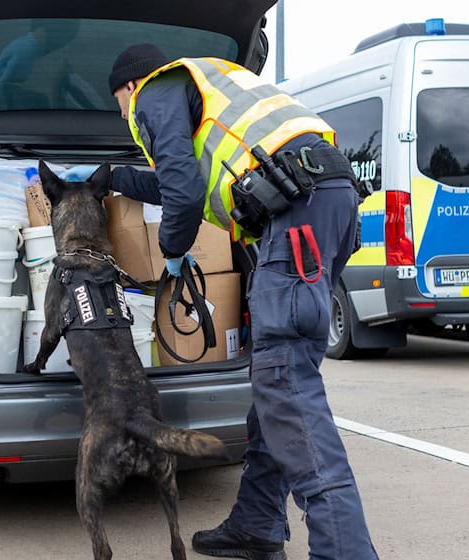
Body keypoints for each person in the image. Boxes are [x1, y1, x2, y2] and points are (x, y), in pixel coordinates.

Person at [107, 44, 378, 559]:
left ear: (127, 86)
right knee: (278, 384)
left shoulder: (154, 91)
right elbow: (176, 180)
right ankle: (257, 522)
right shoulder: (211, 82)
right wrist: (114, 178)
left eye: (118, 105)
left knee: (287, 387)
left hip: (296, 213)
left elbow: (183, 193)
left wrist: (170, 253)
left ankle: (346, 552)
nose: (123, 116)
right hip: (326, 202)